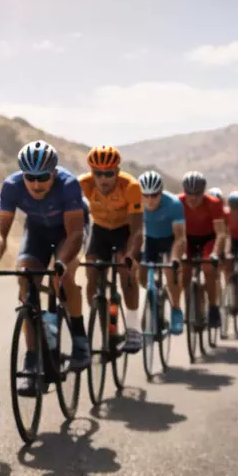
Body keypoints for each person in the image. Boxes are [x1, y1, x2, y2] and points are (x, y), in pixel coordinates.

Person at [0, 140, 90, 394]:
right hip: (37, 232)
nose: (36, 184)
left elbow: (74, 235)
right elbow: (1, 235)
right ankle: (32, 357)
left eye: (43, 177)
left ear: (54, 173)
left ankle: (80, 339)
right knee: (26, 281)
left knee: (64, 277)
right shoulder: (11, 186)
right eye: (30, 177)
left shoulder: (68, 185)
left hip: (68, 233)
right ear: (22, 174)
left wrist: (60, 263)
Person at [77, 145, 146, 352]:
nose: (103, 179)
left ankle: (134, 329)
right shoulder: (82, 185)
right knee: (91, 276)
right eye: (98, 173)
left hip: (125, 231)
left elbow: (137, 231)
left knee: (127, 275)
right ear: (92, 173)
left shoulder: (131, 187)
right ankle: (107, 326)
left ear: (117, 171)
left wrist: (132, 256)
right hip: (100, 231)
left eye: (108, 173)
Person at [137, 170, 187, 333]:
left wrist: (174, 259)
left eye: (154, 195)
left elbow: (180, 238)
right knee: (142, 276)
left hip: (170, 240)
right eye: (146, 195)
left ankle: (176, 309)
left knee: (169, 270)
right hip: (151, 240)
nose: (150, 200)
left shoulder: (173, 204)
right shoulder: (135, 203)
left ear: (161, 192)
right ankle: (155, 296)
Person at [178, 171, 229, 329]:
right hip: (188, 239)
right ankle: (189, 304)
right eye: (189, 193)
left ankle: (213, 307)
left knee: (208, 267)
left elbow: (221, 233)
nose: (193, 198)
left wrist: (215, 253)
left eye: (197, 194)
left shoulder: (213, 203)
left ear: (203, 192)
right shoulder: (178, 202)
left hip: (209, 238)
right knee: (184, 270)